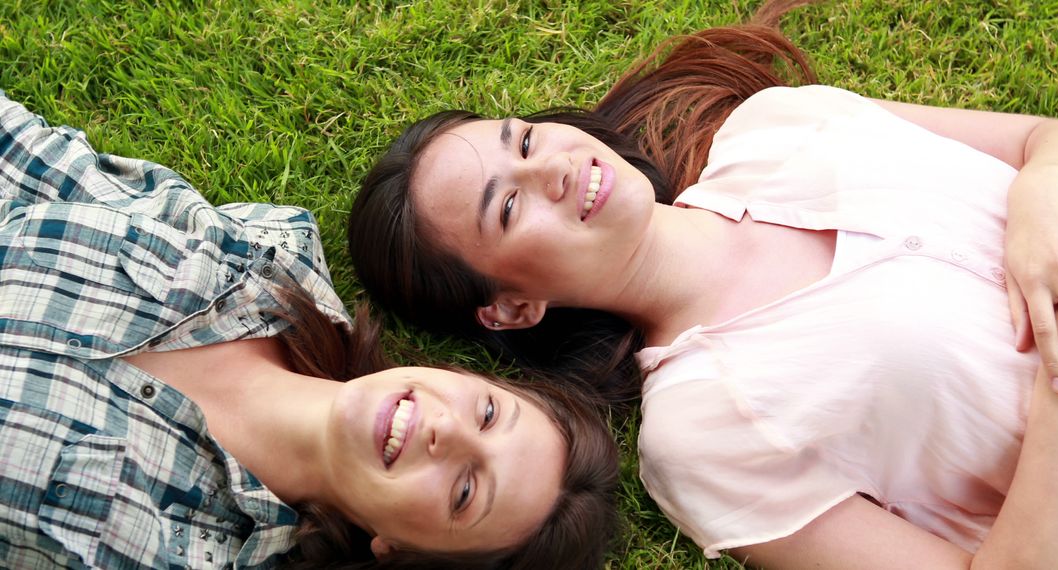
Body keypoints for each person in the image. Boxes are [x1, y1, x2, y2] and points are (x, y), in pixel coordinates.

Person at [347, 2, 1058, 568]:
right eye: (508, 206)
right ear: (512, 307)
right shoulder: (699, 437)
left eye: (526, 140)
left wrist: (1044, 191)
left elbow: (1047, 140)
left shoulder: (775, 124)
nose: (553, 170)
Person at [0, 92, 619, 570]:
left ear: (398, 552)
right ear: (467, 375)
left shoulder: (180, 552)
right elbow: (38, 165)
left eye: (463, 491)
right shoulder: (266, 258)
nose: (446, 431)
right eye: (487, 413)